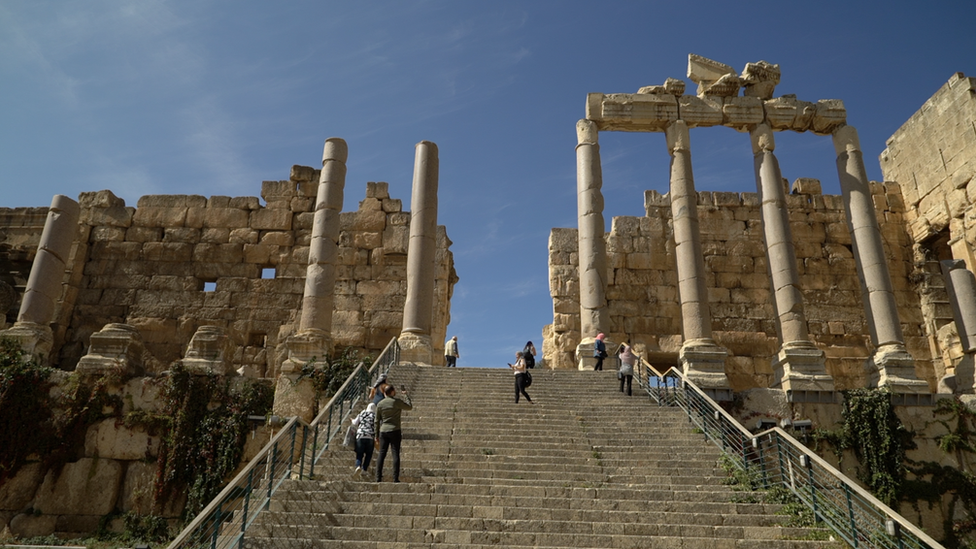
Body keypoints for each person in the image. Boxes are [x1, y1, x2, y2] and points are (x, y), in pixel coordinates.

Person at [374, 384, 412, 483]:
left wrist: (376, 435)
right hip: (395, 430)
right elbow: (409, 407)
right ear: (392, 392)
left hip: (383, 431)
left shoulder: (380, 404)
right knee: (395, 454)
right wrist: (405, 395)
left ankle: (378, 477)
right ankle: (395, 478)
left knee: (381, 454)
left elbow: (377, 421)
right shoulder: (396, 402)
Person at [351, 402, 376, 477]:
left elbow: (355, 423)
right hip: (370, 436)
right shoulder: (375, 415)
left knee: (359, 453)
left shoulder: (362, 413)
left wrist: (351, 420)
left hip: (360, 436)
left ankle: (358, 466)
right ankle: (364, 469)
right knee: (369, 454)